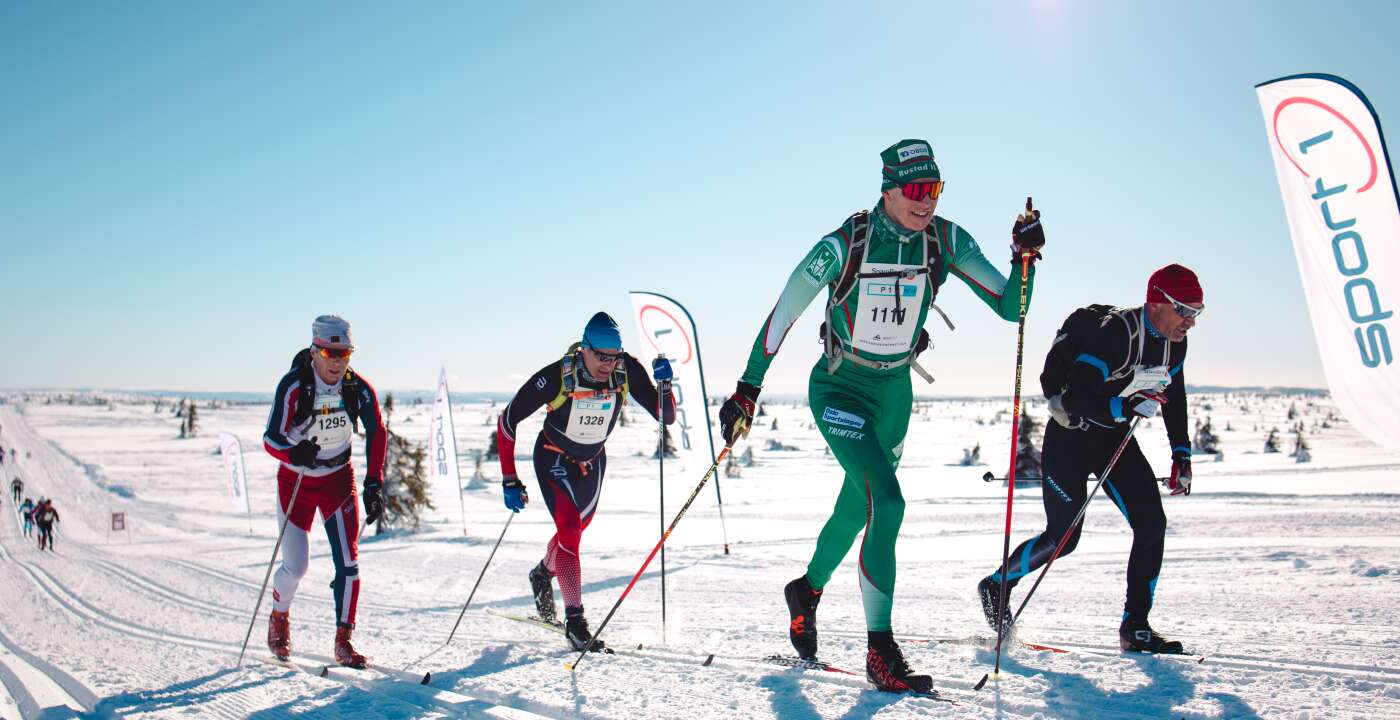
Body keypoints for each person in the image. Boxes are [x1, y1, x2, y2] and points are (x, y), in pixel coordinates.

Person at [717, 139, 1044, 693]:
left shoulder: (945, 239)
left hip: (894, 396)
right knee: (886, 502)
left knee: (855, 509)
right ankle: (880, 650)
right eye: (916, 190)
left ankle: (807, 590)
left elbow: (1011, 306)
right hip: (840, 390)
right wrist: (750, 386)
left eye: (935, 190)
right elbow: (786, 307)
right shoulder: (846, 242)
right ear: (888, 189)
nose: (926, 202)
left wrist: (1025, 259)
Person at [978, 264, 1202, 654]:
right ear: (1156, 302)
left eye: (1197, 312)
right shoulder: (1115, 333)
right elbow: (1078, 398)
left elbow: (1175, 396)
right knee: (1064, 538)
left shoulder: (1174, 343)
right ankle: (997, 584)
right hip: (1070, 436)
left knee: (1152, 523)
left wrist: (1181, 453)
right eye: (1184, 309)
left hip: (1111, 439)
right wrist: (1125, 405)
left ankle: (1136, 626)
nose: (1190, 322)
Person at [497, 312, 675, 653]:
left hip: (593, 463)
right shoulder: (557, 376)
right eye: (601, 356)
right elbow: (507, 421)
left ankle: (542, 574)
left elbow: (664, 416)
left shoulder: (626, 370)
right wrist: (509, 477)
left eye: (615, 356)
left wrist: (665, 386)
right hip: (553, 457)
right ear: (584, 349)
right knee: (569, 529)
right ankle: (576, 622)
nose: (608, 364)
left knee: (575, 530)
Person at [262, 315, 386, 668]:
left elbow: (378, 431)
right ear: (315, 351)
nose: (337, 361)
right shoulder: (293, 386)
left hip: (337, 480)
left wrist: (374, 481)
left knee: (349, 563)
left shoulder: (357, 388)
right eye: (330, 352)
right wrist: (293, 452)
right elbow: (270, 438)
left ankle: (343, 640)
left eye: (344, 352)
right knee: (296, 567)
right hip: (297, 482)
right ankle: (279, 615)